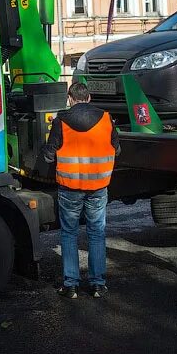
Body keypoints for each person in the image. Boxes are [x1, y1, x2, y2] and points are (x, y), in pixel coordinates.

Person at [40, 82, 120, 299]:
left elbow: (49, 154)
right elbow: (117, 149)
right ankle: (97, 284)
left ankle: (71, 285)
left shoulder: (61, 120)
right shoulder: (106, 119)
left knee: (69, 234)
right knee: (96, 233)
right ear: (89, 97)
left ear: (70, 98)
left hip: (70, 187)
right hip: (98, 186)